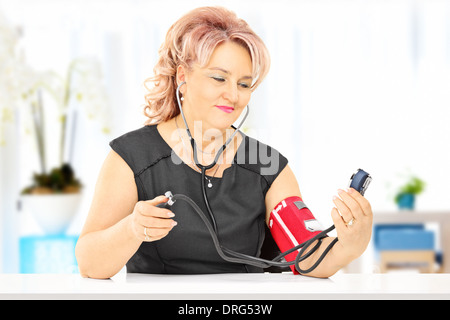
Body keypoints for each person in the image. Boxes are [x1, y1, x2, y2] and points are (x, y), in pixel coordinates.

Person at [75, 6, 373, 279]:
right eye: (219, 78)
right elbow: (88, 262)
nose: (234, 95)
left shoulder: (267, 165)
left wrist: (349, 246)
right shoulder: (133, 157)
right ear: (183, 77)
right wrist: (131, 228)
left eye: (244, 84)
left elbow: (307, 256)